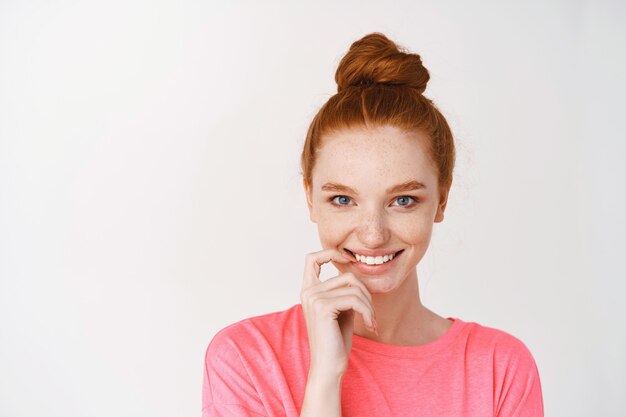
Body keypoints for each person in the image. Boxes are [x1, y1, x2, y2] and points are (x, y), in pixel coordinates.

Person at [201, 32, 544, 417]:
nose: (372, 234)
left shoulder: (500, 369)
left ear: (441, 199)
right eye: (343, 200)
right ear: (311, 198)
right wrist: (325, 380)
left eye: (403, 200)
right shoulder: (247, 359)